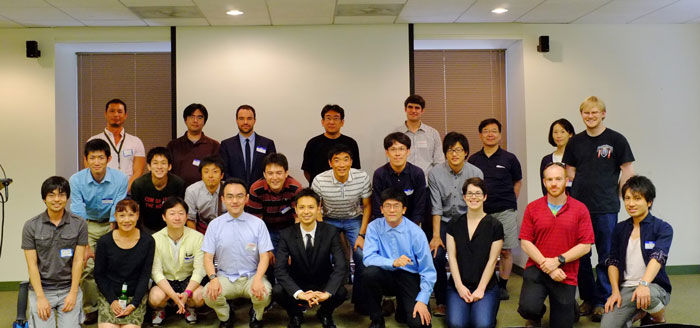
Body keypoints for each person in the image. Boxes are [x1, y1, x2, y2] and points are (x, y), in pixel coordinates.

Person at [563, 96, 635, 321]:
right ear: (581, 115)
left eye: (595, 112)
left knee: (606, 255)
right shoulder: (575, 143)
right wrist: (581, 189)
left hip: (606, 207)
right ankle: (589, 299)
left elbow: (627, 169)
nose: (590, 116)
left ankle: (604, 300)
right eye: (586, 113)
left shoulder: (616, 139)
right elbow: (570, 171)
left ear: (603, 114)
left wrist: (623, 195)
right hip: (579, 208)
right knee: (582, 256)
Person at [517, 162, 594, 328]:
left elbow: (586, 245)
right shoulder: (533, 208)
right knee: (527, 308)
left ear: (567, 181)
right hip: (537, 268)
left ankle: (570, 306)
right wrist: (549, 266)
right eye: (549, 179)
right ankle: (536, 313)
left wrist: (558, 261)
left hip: (565, 273)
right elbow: (525, 242)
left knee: (562, 324)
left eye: (558, 179)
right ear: (544, 182)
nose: (553, 183)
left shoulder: (580, 209)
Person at [69, 139, 128, 323]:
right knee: (87, 266)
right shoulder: (76, 180)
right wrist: (85, 245)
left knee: (114, 265)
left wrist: (112, 238)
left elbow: (116, 210)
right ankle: (91, 308)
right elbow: (78, 214)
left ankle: (116, 305)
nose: (96, 162)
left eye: (100, 157)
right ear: (86, 159)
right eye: (92, 158)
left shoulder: (121, 179)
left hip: (113, 224)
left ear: (108, 158)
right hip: (88, 224)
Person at [602, 176, 673, 327]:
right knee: (608, 325)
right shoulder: (620, 229)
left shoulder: (662, 228)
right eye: (627, 198)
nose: (631, 203)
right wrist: (615, 291)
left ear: (649, 202)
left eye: (637, 198)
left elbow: (657, 258)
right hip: (626, 289)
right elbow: (613, 262)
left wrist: (644, 283)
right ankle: (641, 313)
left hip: (653, 286)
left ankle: (658, 318)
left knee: (649, 297)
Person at [202, 178, 273, 328]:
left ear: (247, 199)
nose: (235, 201)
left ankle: (256, 315)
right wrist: (213, 279)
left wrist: (259, 278)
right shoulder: (215, 225)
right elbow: (208, 258)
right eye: (230, 196)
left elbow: (264, 256)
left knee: (264, 293)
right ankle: (226, 316)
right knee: (208, 294)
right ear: (223, 199)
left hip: (252, 276)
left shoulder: (258, 224)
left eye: (240, 196)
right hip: (225, 277)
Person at [273, 189, 348, 328]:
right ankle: (295, 315)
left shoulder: (331, 231)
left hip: (322, 282)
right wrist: (299, 294)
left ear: (319, 208)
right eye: (301, 207)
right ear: (295, 208)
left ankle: (325, 314)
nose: (306, 211)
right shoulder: (286, 234)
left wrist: (327, 292)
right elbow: (280, 269)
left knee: (341, 292)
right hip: (298, 282)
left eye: (311, 207)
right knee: (277, 291)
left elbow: (340, 265)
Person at [311, 144, 372, 314]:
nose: (342, 164)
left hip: (354, 219)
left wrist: (362, 234)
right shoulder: (320, 180)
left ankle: (360, 299)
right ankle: (332, 295)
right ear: (330, 163)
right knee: (327, 254)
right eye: (337, 160)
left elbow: (367, 207)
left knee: (362, 255)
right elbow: (317, 208)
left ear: (351, 161)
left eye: (346, 159)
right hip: (330, 219)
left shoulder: (362, 177)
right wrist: (324, 232)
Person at [428, 132, 483, 316]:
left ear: (466, 152)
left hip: (467, 220)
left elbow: (477, 204)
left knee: (469, 255)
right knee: (436, 255)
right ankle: (442, 300)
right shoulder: (435, 173)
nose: (454, 154)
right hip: (443, 221)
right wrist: (436, 236)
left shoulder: (475, 172)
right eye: (451, 150)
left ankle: (472, 294)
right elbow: (436, 207)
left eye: (459, 150)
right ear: (445, 152)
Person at [363, 188, 435, 328]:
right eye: (387, 206)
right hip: (385, 274)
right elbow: (368, 258)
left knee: (420, 324)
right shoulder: (373, 227)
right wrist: (393, 262)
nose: (391, 210)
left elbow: (428, 271)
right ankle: (377, 319)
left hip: (409, 276)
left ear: (404, 209)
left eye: (396, 206)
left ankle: (403, 308)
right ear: (381, 209)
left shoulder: (416, 232)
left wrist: (422, 300)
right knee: (368, 274)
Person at [467, 118, 522, 300]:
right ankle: (485, 282)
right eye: (486, 131)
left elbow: (517, 181)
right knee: (482, 250)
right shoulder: (474, 159)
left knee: (505, 250)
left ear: (499, 134)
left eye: (494, 131)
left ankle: (502, 285)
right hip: (481, 212)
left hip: (505, 210)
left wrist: (511, 200)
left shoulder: (510, 158)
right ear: (480, 135)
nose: (490, 134)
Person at [22, 176, 88, 328]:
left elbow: (78, 261)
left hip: (68, 288)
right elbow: (32, 265)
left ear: (67, 197)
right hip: (42, 289)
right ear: (44, 199)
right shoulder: (31, 226)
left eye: (61, 194)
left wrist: (73, 293)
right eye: (51, 195)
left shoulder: (79, 224)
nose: (57, 199)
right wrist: (40, 297)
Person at [445, 177, 503, 328]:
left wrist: (481, 289)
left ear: (485, 197)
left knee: (482, 325)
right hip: (459, 284)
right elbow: (451, 257)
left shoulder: (495, 225)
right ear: (464, 197)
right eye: (469, 193)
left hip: (486, 286)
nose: (473, 197)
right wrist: (459, 286)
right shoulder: (454, 223)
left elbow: (492, 260)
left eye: (478, 193)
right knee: (456, 324)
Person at [94, 199, 155, 327]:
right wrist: (112, 300)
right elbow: (99, 274)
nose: (126, 220)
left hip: (135, 297)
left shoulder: (148, 241)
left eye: (131, 215)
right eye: (122, 215)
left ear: (137, 216)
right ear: (115, 217)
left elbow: (145, 275)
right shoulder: (104, 241)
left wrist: (134, 304)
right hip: (110, 296)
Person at [149, 197, 206, 325]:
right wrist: (173, 295)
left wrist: (186, 293)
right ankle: (160, 309)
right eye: (172, 214)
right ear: (164, 217)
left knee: (200, 296)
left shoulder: (197, 238)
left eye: (181, 214)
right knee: (155, 298)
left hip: (187, 280)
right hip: (165, 280)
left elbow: (200, 270)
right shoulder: (155, 239)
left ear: (186, 217)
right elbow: (156, 272)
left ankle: (189, 308)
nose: (177, 218)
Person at [246, 153, 303, 250]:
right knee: (253, 252)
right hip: (266, 229)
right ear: (264, 174)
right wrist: (264, 250)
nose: (275, 177)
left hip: (290, 229)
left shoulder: (295, 188)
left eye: (279, 173)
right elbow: (255, 222)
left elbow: (298, 220)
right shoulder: (256, 188)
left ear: (286, 173)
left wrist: (295, 248)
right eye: (270, 173)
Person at [88, 98, 145, 192]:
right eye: (112, 111)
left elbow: (138, 172)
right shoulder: (93, 141)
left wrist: (123, 191)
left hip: (128, 194)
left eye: (119, 111)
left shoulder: (136, 142)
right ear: (105, 114)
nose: (116, 115)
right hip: (102, 193)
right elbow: (90, 169)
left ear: (125, 115)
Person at [372, 132, 426, 224]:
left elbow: (419, 207)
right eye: (393, 149)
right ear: (387, 152)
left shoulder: (417, 173)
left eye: (402, 149)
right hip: (386, 223)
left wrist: (411, 228)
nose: (397, 154)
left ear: (408, 151)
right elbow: (377, 206)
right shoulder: (379, 174)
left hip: (411, 222)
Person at [130, 147, 185, 235]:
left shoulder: (178, 183)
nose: (159, 167)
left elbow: (180, 210)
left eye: (163, 163)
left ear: (169, 166)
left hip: (170, 227)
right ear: (149, 166)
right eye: (155, 163)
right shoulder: (138, 184)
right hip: (145, 228)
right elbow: (135, 211)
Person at [219, 104, 277, 188]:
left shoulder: (267, 144)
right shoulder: (226, 145)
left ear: (254, 120)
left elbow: (271, 170)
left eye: (249, 118)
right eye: (241, 118)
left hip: (261, 193)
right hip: (235, 194)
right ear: (236, 120)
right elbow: (225, 172)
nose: (245, 122)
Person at [302, 104, 361, 184]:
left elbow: (355, 169)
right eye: (328, 118)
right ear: (322, 122)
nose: (331, 122)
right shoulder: (313, 143)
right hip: (320, 189)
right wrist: (318, 185)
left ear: (342, 122)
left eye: (336, 118)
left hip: (346, 188)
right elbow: (307, 171)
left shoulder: (351, 143)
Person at [167, 103, 221, 187]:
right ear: (185, 120)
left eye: (199, 117)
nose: (195, 120)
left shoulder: (214, 145)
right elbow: (168, 172)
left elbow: (218, 171)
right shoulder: (173, 145)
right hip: (178, 194)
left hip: (205, 194)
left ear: (204, 121)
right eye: (191, 117)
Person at [394, 94, 444, 178]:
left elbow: (439, 162)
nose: (413, 111)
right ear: (405, 109)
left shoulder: (433, 134)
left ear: (422, 110)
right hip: (402, 183)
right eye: (410, 107)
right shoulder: (396, 134)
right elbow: (392, 161)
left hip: (427, 184)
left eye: (417, 108)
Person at [184, 156, 227, 233]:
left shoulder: (230, 189)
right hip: (202, 229)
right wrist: (196, 239)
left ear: (222, 175)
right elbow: (190, 219)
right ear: (201, 175)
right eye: (206, 172)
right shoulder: (192, 191)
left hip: (226, 228)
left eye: (215, 171)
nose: (210, 176)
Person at [539, 118, 575, 196]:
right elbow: (544, 187)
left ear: (570, 134)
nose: (559, 136)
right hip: (553, 203)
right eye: (555, 132)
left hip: (575, 201)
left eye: (562, 132)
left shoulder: (577, 157)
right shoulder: (546, 160)